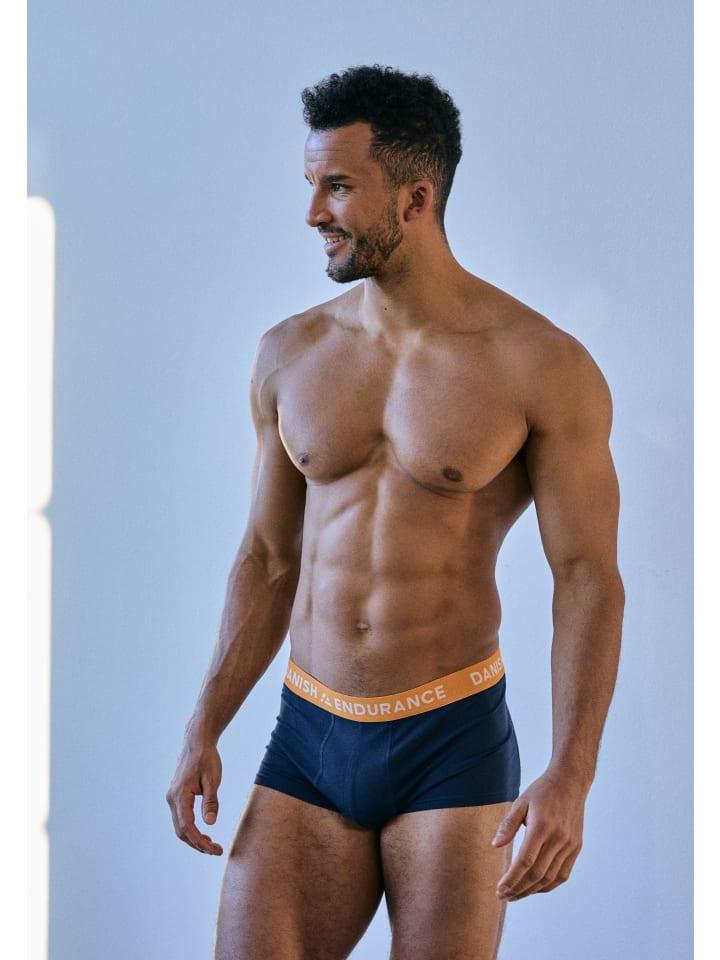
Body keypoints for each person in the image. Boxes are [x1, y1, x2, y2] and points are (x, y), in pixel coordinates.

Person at [166, 64, 625, 960]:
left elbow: (587, 578)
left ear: (416, 198)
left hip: (451, 743)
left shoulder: (541, 365)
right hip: (308, 735)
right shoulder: (290, 354)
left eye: (338, 187)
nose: (313, 213)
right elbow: (267, 559)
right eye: (311, 185)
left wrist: (571, 776)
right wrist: (203, 724)